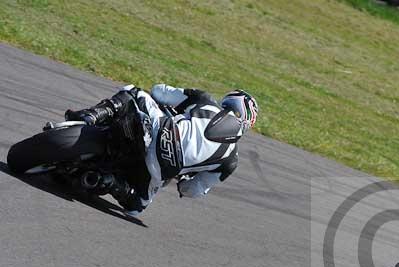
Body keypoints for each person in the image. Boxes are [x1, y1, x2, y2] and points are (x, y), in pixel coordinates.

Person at [65, 84, 259, 216]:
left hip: (158, 130)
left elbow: (159, 91)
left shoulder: (205, 101)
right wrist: (183, 182)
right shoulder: (231, 160)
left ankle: (89, 116)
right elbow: (193, 190)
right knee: (136, 208)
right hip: (159, 170)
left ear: (227, 101)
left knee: (132, 91)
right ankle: (109, 182)